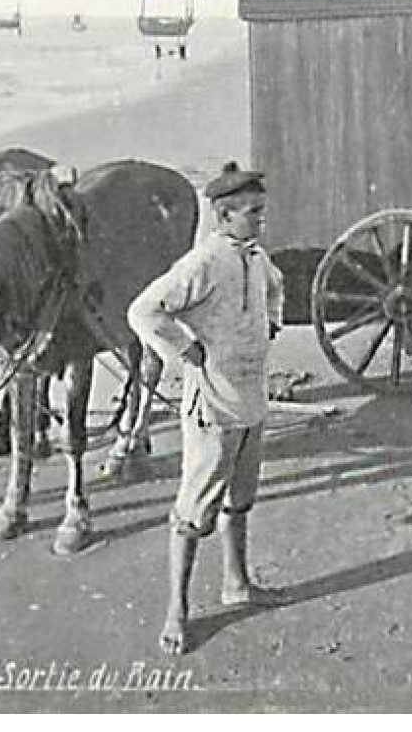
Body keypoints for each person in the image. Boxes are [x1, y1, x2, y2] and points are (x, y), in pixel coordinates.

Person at [128, 161, 285, 656]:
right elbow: (144, 311)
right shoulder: (204, 262)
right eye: (253, 213)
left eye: (262, 211)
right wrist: (183, 348)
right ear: (223, 215)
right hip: (212, 406)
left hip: (251, 400)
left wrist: (272, 324)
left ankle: (236, 582)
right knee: (195, 509)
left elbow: (276, 288)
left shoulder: (256, 257)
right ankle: (177, 610)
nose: (261, 220)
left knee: (240, 499)